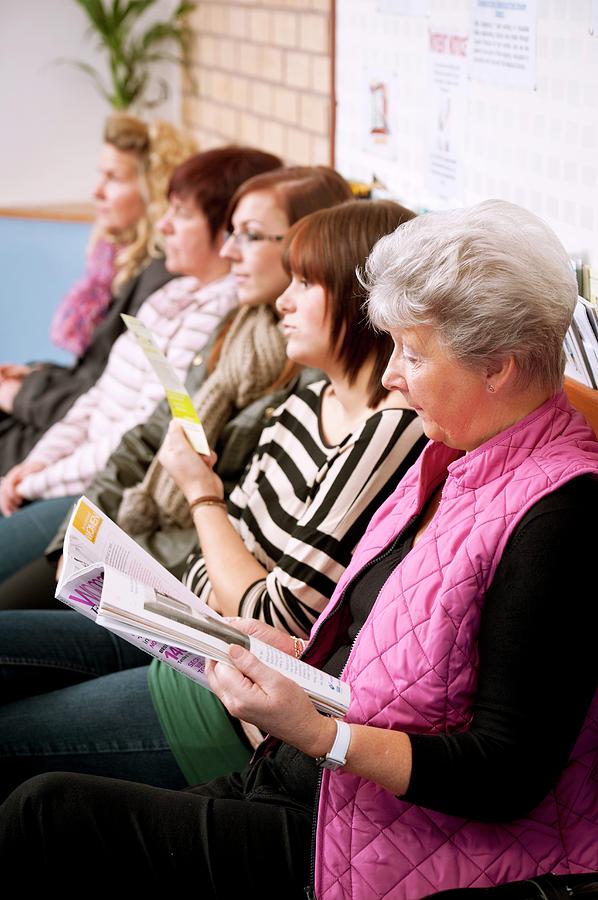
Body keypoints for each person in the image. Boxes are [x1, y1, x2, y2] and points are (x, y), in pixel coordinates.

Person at [1, 200, 597, 896]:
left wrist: (318, 734)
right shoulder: (459, 455)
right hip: (318, 788)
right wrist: (300, 655)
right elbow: (397, 653)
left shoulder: (563, 512)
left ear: (497, 365)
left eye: (411, 353)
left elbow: (506, 773)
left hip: (373, 833)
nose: (392, 377)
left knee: (44, 814)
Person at [0, 198, 426, 800]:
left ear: (363, 301)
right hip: (192, 635)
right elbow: (222, 571)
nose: (283, 299)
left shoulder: (392, 429)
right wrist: (221, 560)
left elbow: (274, 615)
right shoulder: (304, 402)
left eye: (305, 283)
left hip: (231, 694)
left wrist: (204, 497)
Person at [0, 165, 350, 605]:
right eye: (231, 232)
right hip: (131, 532)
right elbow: (146, 434)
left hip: (168, 580)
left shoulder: (312, 373)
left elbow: (231, 528)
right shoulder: (236, 326)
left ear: (308, 246)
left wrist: (119, 557)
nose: (230, 251)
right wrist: (75, 544)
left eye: (251, 235)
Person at [0, 113, 196, 476]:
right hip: (57, 424)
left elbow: (112, 407)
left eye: (114, 178)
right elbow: (94, 374)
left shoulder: (161, 282)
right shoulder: (118, 260)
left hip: (76, 450)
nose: (97, 191)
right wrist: (34, 375)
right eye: (100, 175)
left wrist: (20, 394)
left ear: (153, 190)